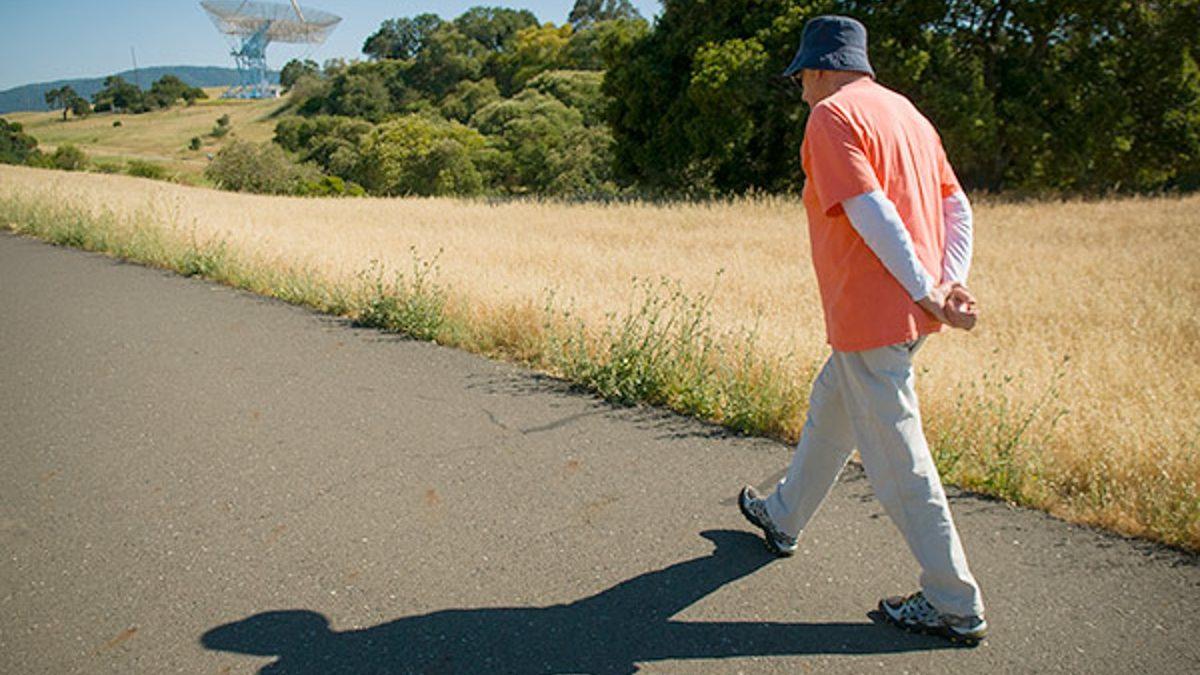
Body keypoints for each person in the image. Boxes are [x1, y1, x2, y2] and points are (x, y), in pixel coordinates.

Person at [737, 15, 988, 645]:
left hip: (875, 311)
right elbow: (957, 204)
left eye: (801, 74)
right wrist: (947, 282)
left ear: (821, 66)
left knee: (899, 459)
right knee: (834, 405)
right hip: (906, 313)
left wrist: (926, 287)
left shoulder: (831, 116)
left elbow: (867, 208)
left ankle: (953, 603)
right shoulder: (908, 114)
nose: (799, 86)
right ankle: (784, 515)